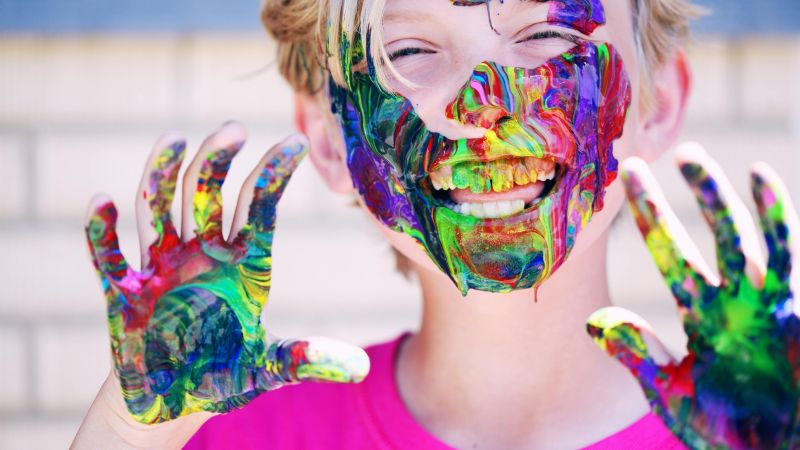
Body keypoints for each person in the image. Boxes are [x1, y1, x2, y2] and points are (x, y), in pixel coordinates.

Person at [72, 0, 800, 449]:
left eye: (547, 33)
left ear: (660, 102)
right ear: (331, 141)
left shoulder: (752, 431)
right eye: (409, 52)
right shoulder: (235, 440)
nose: (484, 104)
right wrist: (130, 434)